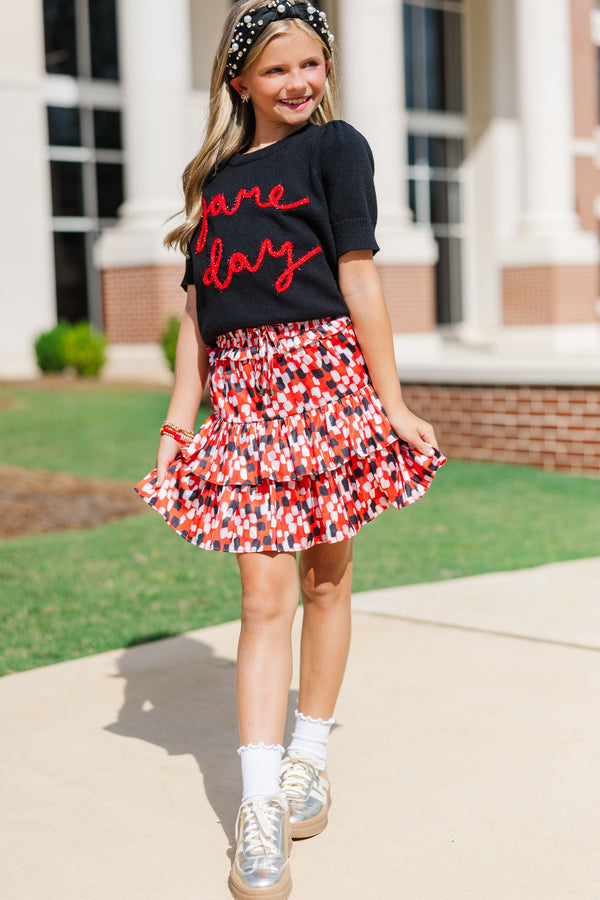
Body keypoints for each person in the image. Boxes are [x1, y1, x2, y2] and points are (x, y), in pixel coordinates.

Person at [135, 1, 446, 897]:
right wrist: (175, 426)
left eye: (311, 63)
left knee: (326, 579)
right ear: (239, 80)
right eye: (276, 69)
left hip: (324, 380)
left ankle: (310, 753)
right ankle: (260, 800)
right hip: (244, 397)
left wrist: (390, 401)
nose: (299, 82)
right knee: (263, 592)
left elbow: (358, 273)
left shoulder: (337, 149)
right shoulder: (215, 181)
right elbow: (200, 316)